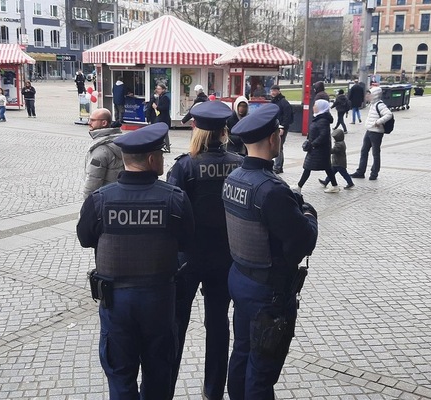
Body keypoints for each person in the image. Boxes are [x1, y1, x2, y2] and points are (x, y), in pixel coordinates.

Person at [76, 123, 195, 400]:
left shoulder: (100, 200)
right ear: (152, 160)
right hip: (159, 300)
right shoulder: (174, 199)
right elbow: (187, 242)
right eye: (161, 155)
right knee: (158, 373)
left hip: (115, 301)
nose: (163, 160)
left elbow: (85, 238)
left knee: (120, 375)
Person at [222, 103, 318, 399]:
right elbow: (303, 241)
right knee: (262, 369)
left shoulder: (233, 178)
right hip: (269, 293)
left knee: (241, 352)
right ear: (273, 138)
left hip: (241, 280)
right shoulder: (272, 190)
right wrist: (308, 211)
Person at [166, 101, 243, 400]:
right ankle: (213, 392)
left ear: (196, 130)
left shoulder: (185, 166)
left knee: (176, 325)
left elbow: (172, 214)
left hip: (188, 259)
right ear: (225, 131)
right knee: (218, 326)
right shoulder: (239, 162)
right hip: (225, 258)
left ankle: (166, 388)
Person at [350, 87, 392, 181]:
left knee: (375, 153)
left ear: (374, 95)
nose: (366, 96)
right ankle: (360, 171)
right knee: (364, 151)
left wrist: (379, 122)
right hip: (369, 131)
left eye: (369, 94)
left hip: (376, 133)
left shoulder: (380, 105)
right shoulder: (372, 104)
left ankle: (374, 173)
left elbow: (389, 114)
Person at [297, 99, 338, 193]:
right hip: (318, 148)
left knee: (308, 167)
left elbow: (323, 135)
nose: (313, 107)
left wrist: (313, 144)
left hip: (319, 148)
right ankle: (335, 185)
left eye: (315, 105)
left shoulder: (322, 120)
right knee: (327, 167)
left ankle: (299, 186)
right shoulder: (318, 117)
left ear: (321, 108)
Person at [82, 108, 123, 199]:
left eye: (92, 120)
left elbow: (93, 181)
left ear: (104, 123)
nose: (89, 123)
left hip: (103, 200)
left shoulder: (100, 150)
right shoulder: (120, 141)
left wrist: (87, 206)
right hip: (118, 197)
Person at [270, 85, 293, 174]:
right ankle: (279, 166)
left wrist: (283, 127)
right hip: (275, 126)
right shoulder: (273, 102)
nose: (273, 92)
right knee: (279, 146)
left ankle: (277, 166)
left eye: (274, 91)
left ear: (279, 91)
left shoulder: (284, 103)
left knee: (278, 146)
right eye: (272, 91)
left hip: (281, 127)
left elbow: (287, 116)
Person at [153, 84, 172, 151]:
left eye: (159, 89)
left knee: (164, 132)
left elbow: (165, 108)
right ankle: (163, 145)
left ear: (163, 89)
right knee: (161, 132)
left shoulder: (165, 97)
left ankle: (166, 146)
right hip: (160, 117)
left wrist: (157, 107)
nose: (157, 90)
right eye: (157, 89)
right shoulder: (160, 97)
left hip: (164, 118)